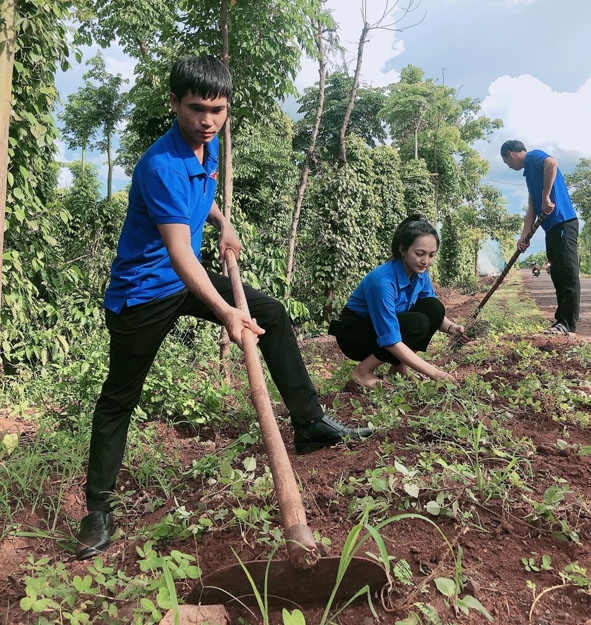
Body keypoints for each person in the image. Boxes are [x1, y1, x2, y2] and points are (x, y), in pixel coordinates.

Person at [75, 55, 372, 560]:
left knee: (272, 312)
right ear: (174, 104)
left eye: (217, 110)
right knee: (120, 396)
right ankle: (97, 510)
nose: (207, 120)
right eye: (196, 109)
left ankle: (310, 423)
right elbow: (178, 253)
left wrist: (221, 222)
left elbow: (201, 196)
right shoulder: (160, 164)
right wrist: (228, 313)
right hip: (144, 293)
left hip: (181, 278)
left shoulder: (204, 150)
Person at [329, 215, 468, 389]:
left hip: (385, 327)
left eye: (431, 255)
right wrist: (436, 374)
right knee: (417, 323)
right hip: (356, 334)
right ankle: (363, 372)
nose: (426, 261)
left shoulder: (420, 274)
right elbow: (390, 339)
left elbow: (433, 311)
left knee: (434, 307)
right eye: (420, 254)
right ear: (402, 249)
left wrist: (450, 327)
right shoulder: (382, 281)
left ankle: (398, 368)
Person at [501, 140, 579, 336]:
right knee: (557, 273)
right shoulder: (529, 175)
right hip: (551, 228)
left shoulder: (533, 157)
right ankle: (561, 321)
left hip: (563, 222)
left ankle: (568, 324)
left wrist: (546, 196)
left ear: (511, 154)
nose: (508, 168)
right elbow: (532, 208)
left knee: (567, 273)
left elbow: (552, 164)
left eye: (506, 163)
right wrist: (524, 237)